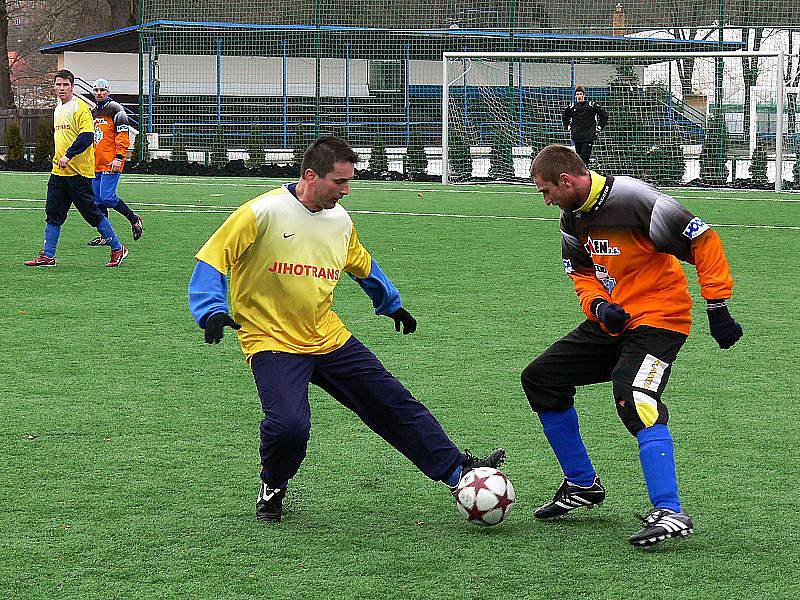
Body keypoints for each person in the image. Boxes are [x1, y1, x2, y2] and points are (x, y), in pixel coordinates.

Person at [188, 136, 504, 523]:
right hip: (270, 339)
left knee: (392, 402)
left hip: (328, 336)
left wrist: (391, 303)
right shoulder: (262, 212)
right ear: (310, 176)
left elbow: (361, 263)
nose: (346, 190)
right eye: (339, 182)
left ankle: (458, 473)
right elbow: (213, 256)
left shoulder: (340, 221)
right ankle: (273, 483)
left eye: (348, 181)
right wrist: (211, 310)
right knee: (289, 427)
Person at [523, 145, 743, 547]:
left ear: (567, 181)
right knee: (541, 379)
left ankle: (671, 511)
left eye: (546, 191)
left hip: (661, 321)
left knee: (636, 394)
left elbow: (703, 239)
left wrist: (718, 305)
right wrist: (599, 306)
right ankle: (582, 484)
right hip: (616, 322)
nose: (547, 199)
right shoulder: (571, 217)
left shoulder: (635, 200)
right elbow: (581, 273)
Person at [25, 70, 128, 268]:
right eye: (58, 85)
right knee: (53, 213)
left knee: (92, 214)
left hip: (78, 173)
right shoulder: (58, 109)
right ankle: (48, 256)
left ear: (72, 86)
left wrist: (68, 155)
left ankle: (117, 247)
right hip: (59, 172)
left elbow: (87, 137)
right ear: (54, 87)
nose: (61, 88)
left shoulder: (80, 108)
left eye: (65, 85)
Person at [87, 78, 142, 246]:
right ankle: (105, 235)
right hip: (96, 163)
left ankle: (134, 219)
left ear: (108, 92)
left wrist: (119, 157)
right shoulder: (93, 111)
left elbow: (123, 136)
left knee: (107, 197)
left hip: (112, 161)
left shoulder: (116, 109)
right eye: (96, 90)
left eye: (102, 90)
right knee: (96, 201)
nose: (99, 93)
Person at [561, 86, 608, 166]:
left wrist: (599, 127)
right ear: (575, 96)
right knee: (578, 158)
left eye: (580, 94)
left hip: (588, 136)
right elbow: (565, 117)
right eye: (577, 94)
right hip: (577, 136)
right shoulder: (572, 107)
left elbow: (604, 115)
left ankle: (584, 175)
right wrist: (568, 127)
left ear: (584, 95)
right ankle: (580, 176)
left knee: (584, 159)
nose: (579, 96)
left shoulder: (591, 105)